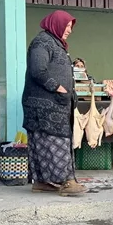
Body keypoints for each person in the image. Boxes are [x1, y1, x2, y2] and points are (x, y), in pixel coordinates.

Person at [22, 10, 86, 195]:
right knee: (56, 142)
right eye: (66, 26)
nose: (69, 30)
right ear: (56, 24)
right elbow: (37, 70)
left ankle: (42, 181)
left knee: (46, 142)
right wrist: (58, 87)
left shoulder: (56, 44)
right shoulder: (42, 43)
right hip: (43, 106)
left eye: (70, 27)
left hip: (55, 104)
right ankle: (67, 182)